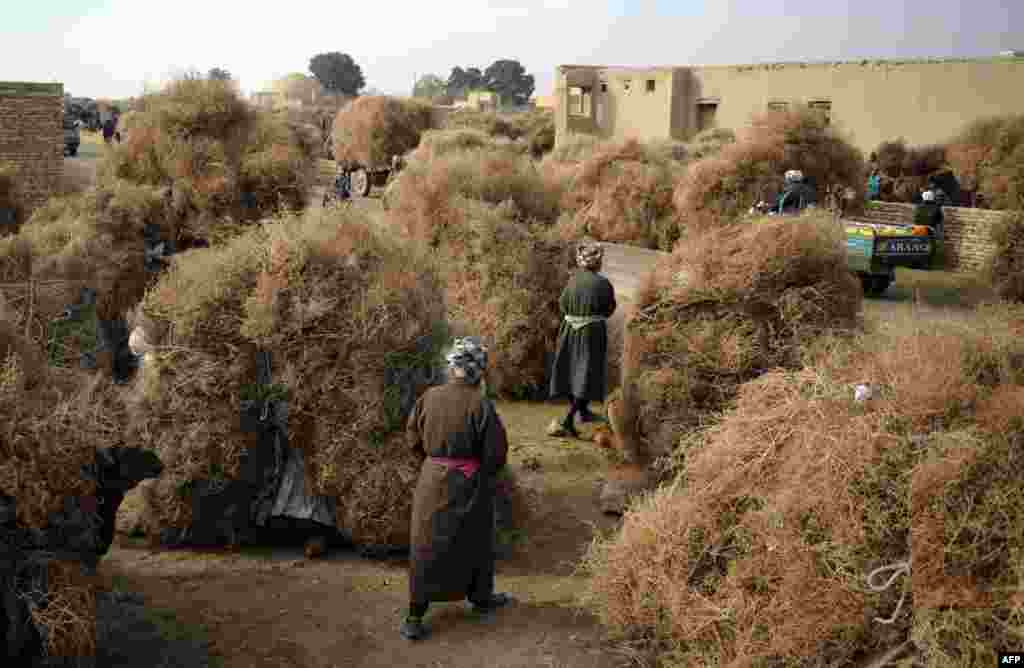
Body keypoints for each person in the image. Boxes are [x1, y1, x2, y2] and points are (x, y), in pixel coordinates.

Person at [403, 337, 514, 641]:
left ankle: (415, 615)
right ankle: (481, 597)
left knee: (426, 543)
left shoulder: (428, 397)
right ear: (479, 372)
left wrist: (433, 465)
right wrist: (480, 473)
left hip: (431, 480)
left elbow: (412, 438)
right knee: (474, 540)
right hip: (469, 484)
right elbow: (495, 453)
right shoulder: (482, 404)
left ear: (452, 367)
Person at [547, 241, 617, 438]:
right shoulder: (603, 284)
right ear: (597, 263)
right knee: (586, 374)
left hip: (569, 330)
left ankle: (583, 412)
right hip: (591, 334)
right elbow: (609, 309)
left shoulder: (572, 280)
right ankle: (569, 420)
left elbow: (562, 304)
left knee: (572, 372)